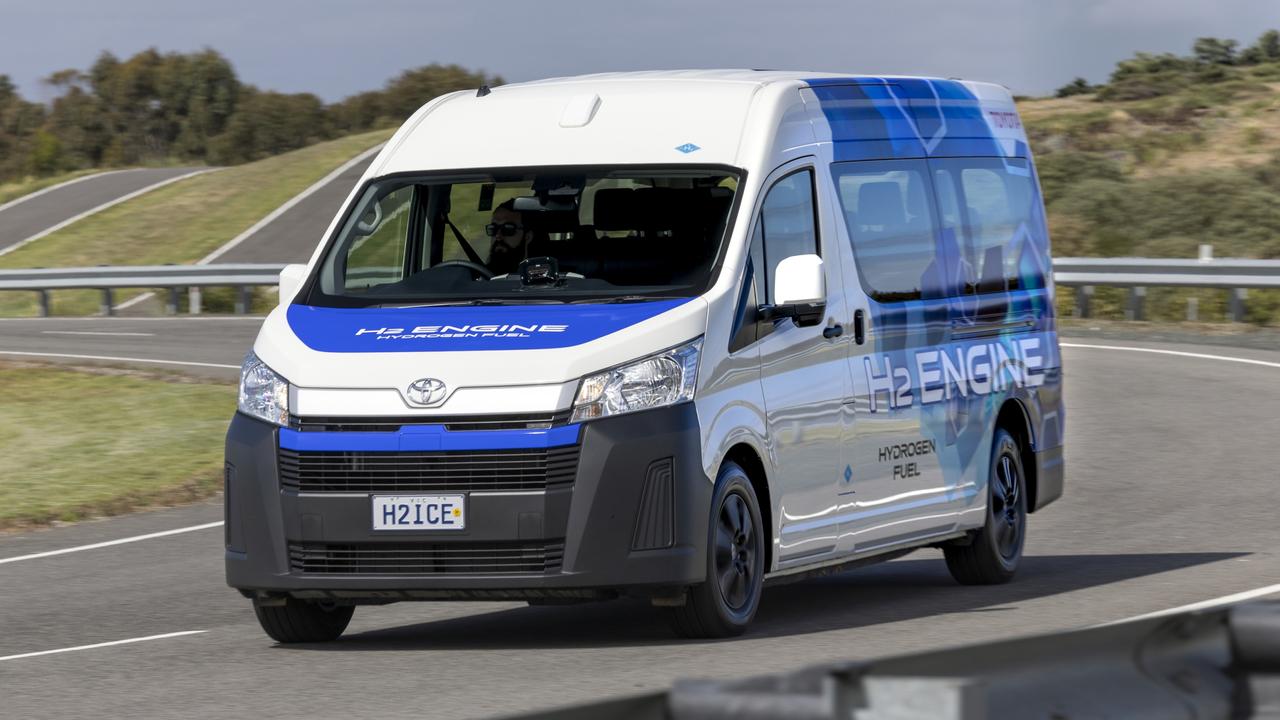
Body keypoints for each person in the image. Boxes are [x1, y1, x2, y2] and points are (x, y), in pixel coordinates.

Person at [485, 199, 533, 275]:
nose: (498, 236)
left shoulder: (538, 275)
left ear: (528, 236)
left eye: (508, 229)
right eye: (493, 229)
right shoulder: (478, 275)